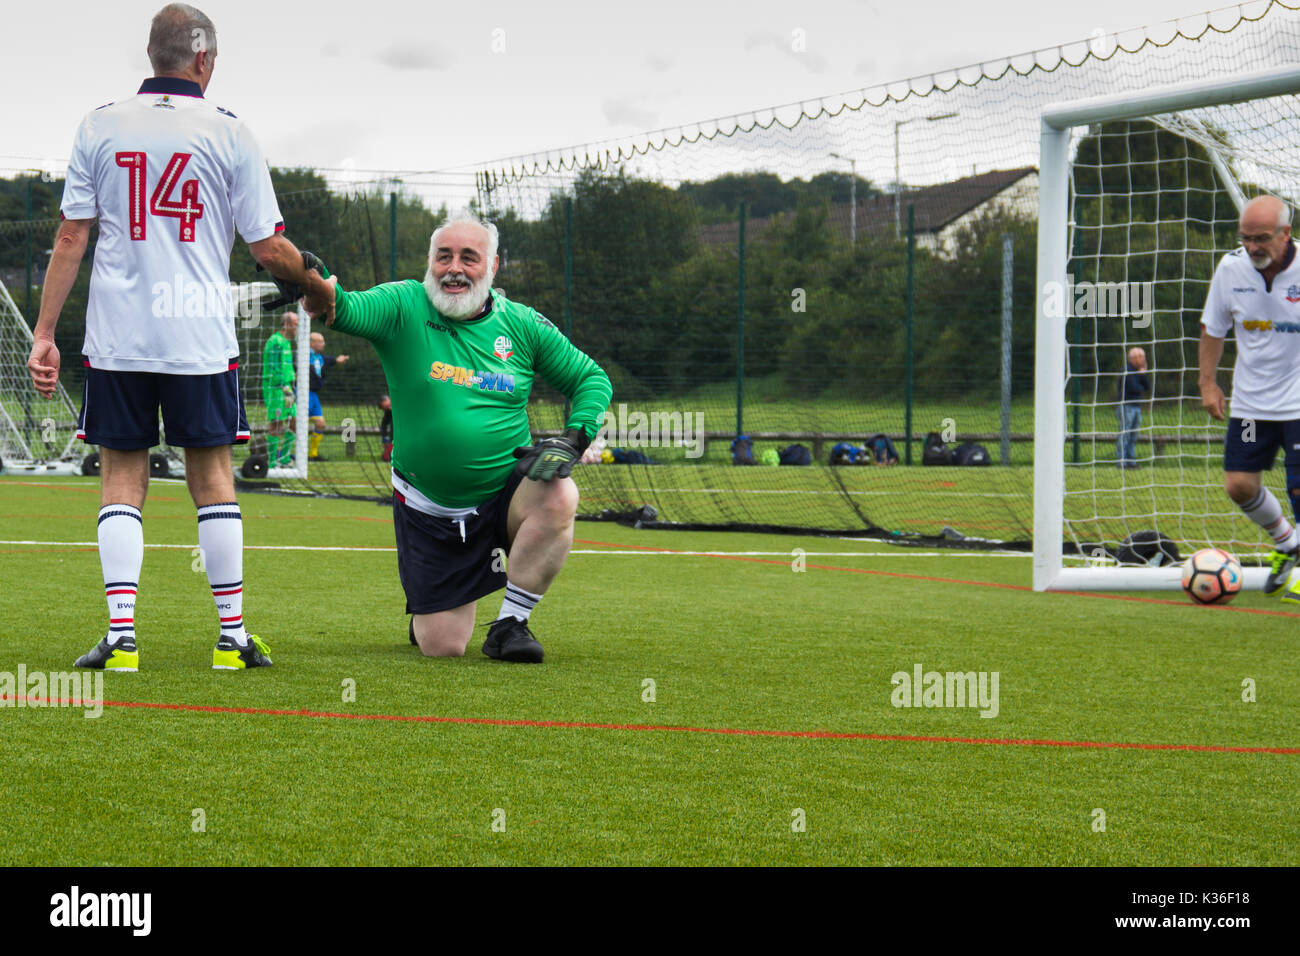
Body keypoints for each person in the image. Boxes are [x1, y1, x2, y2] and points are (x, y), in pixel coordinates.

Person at [26, 3, 330, 671]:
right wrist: (315, 283)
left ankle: (123, 639)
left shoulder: (99, 124)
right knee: (214, 479)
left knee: (122, 479)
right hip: (198, 333)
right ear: (204, 61)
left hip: (118, 338)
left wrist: (45, 333)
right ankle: (231, 638)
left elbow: (72, 237)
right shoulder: (230, 131)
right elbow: (268, 247)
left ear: (152, 56)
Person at [305, 213, 612, 663]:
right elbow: (346, 306)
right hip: (431, 508)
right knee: (443, 647)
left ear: (493, 267)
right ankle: (429, 612)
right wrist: (314, 285)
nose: (454, 268)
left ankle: (511, 625)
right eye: (443, 256)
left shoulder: (522, 325)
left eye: (469, 258)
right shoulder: (404, 304)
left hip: (505, 496)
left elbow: (591, 378)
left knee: (560, 492)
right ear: (429, 263)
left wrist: (572, 439)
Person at [1199, 194, 1300, 597]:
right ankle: (1288, 543)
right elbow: (1212, 328)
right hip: (1251, 408)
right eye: (1246, 238)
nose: (1253, 247)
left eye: (1261, 238)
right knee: (1239, 485)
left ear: (1286, 233)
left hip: (1298, 405)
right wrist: (1208, 383)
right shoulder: (1231, 268)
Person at [262, 310, 298, 467]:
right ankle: (271, 462)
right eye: (296, 324)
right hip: (276, 389)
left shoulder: (287, 342)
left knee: (295, 422)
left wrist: (289, 385)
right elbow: (272, 366)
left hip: (288, 389)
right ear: (287, 324)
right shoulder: (275, 341)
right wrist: (281, 384)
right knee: (276, 423)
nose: (298, 327)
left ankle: (284, 457)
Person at [307, 332, 349, 460]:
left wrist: (338, 360)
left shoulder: (319, 357)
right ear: (311, 343)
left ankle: (312, 454)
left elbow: (328, 360)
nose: (323, 344)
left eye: (323, 341)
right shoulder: (301, 355)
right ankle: (283, 454)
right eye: (320, 341)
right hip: (303, 393)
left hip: (313, 395)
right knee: (296, 424)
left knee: (320, 424)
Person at [1117, 346, 1150, 468]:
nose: (1143, 360)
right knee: (1125, 434)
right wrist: (1141, 381)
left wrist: (1143, 375)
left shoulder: (1139, 371)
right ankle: (1121, 462)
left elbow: (1147, 387)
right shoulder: (1126, 370)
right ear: (1133, 358)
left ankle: (1131, 461)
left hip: (1136, 406)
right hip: (1126, 406)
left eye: (1143, 357)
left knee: (1134, 435)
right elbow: (1134, 388)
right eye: (1141, 357)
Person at [377, 394, 393, 463]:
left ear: (389, 399)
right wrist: (385, 437)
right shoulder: (388, 412)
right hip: (394, 438)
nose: (389, 408)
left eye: (388, 406)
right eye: (386, 408)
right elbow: (384, 424)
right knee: (386, 457)